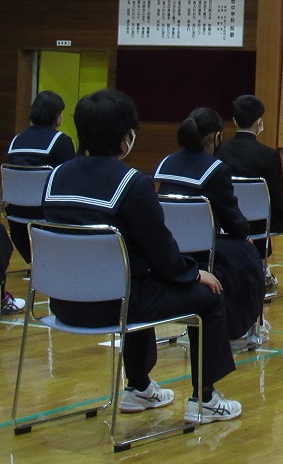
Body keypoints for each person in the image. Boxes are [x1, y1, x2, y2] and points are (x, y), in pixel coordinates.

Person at [41, 89, 241, 423]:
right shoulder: (132, 184)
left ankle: (139, 387)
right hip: (116, 305)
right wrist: (194, 274)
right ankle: (204, 399)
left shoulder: (55, 178)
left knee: (137, 280)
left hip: (62, 305)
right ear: (125, 137)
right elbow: (162, 252)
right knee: (208, 295)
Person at [154, 108, 266, 347]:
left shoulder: (166, 163)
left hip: (169, 250)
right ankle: (240, 328)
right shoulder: (216, 169)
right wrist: (244, 235)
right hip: (205, 252)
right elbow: (231, 217)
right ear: (217, 137)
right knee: (247, 256)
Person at [216, 94, 283, 295]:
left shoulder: (220, 152)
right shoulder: (269, 154)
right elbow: (277, 202)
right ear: (259, 122)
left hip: (231, 220)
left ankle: (264, 271)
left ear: (234, 121)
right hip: (262, 221)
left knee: (255, 212)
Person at [6, 90, 77, 263]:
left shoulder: (16, 141)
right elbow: (70, 180)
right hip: (47, 217)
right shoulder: (60, 141)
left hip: (16, 218)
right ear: (56, 115)